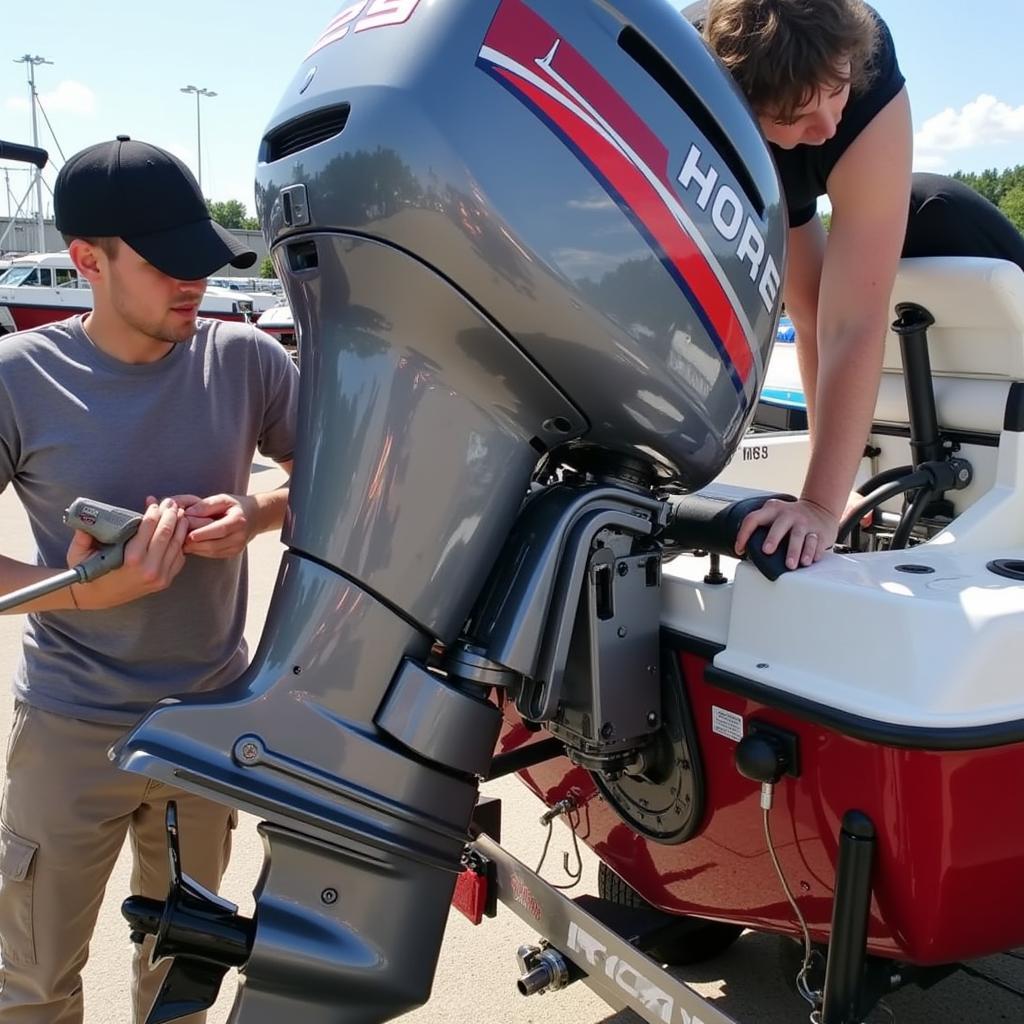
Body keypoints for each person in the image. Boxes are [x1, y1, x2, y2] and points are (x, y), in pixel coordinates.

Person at [0, 136, 299, 1023]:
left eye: (203, 260)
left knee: (179, 983)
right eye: (169, 264)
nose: (195, 283)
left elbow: (334, 472)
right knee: (34, 980)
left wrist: (256, 512)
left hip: (207, 726)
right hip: (70, 729)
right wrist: (85, 588)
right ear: (88, 261)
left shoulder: (245, 359)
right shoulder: (19, 379)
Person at [690, 0, 1024, 569]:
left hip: (938, 212)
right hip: (750, 132)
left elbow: (852, 320)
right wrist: (830, 492)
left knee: (927, 207)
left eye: (835, 92)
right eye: (798, 116)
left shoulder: (861, 72)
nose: (827, 129)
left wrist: (820, 504)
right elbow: (812, 310)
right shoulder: (702, 85)